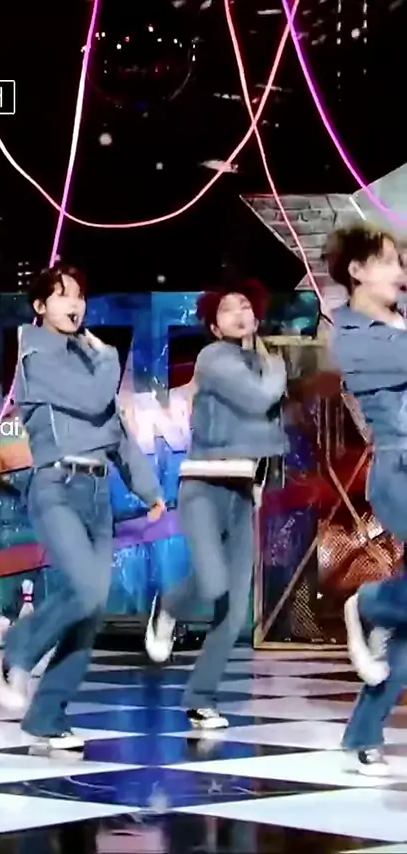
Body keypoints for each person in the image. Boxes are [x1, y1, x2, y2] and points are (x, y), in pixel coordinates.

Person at [0, 262, 165, 751]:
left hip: (97, 494)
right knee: (87, 592)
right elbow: (94, 399)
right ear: (40, 306)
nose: (75, 304)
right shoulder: (35, 354)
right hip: (55, 485)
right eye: (62, 294)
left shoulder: (91, 359)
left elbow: (117, 433)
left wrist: (149, 490)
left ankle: (47, 715)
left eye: (80, 295)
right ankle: (20, 647)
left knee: (90, 613)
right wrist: (109, 357)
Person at [145, 286, 287, 729]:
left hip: (242, 492)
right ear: (213, 324)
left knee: (234, 607)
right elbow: (259, 399)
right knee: (212, 583)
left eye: (245, 306)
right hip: (203, 486)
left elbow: (268, 435)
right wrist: (278, 369)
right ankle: (168, 607)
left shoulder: (260, 363)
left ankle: (201, 697)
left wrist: (260, 484)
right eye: (228, 309)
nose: (239, 313)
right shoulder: (213, 358)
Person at [328, 224, 407, 775]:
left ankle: (363, 733)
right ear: (356, 271)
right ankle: (369, 602)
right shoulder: (350, 334)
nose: (400, 272)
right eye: (389, 261)